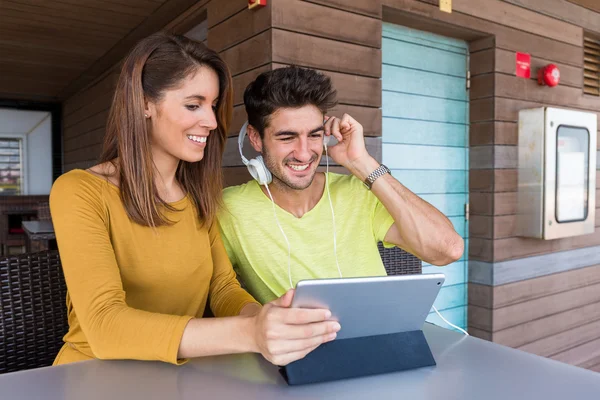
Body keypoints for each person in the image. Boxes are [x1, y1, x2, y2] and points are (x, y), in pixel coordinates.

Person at [50, 34, 339, 367]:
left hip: (179, 374)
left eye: (213, 105)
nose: (212, 122)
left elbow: (223, 288)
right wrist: (250, 333)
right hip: (93, 373)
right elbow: (104, 324)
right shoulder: (79, 191)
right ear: (144, 103)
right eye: (193, 104)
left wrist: (265, 319)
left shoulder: (199, 198)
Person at [218, 66, 464, 304]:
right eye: (287, 137)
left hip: (380, 337)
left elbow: (448, 250)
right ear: (255, 138)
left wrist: (362, 164)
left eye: (314, 135)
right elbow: (216, 290)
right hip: (300, 346)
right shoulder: (229, 209)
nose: (304, 154)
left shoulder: (358, 191)